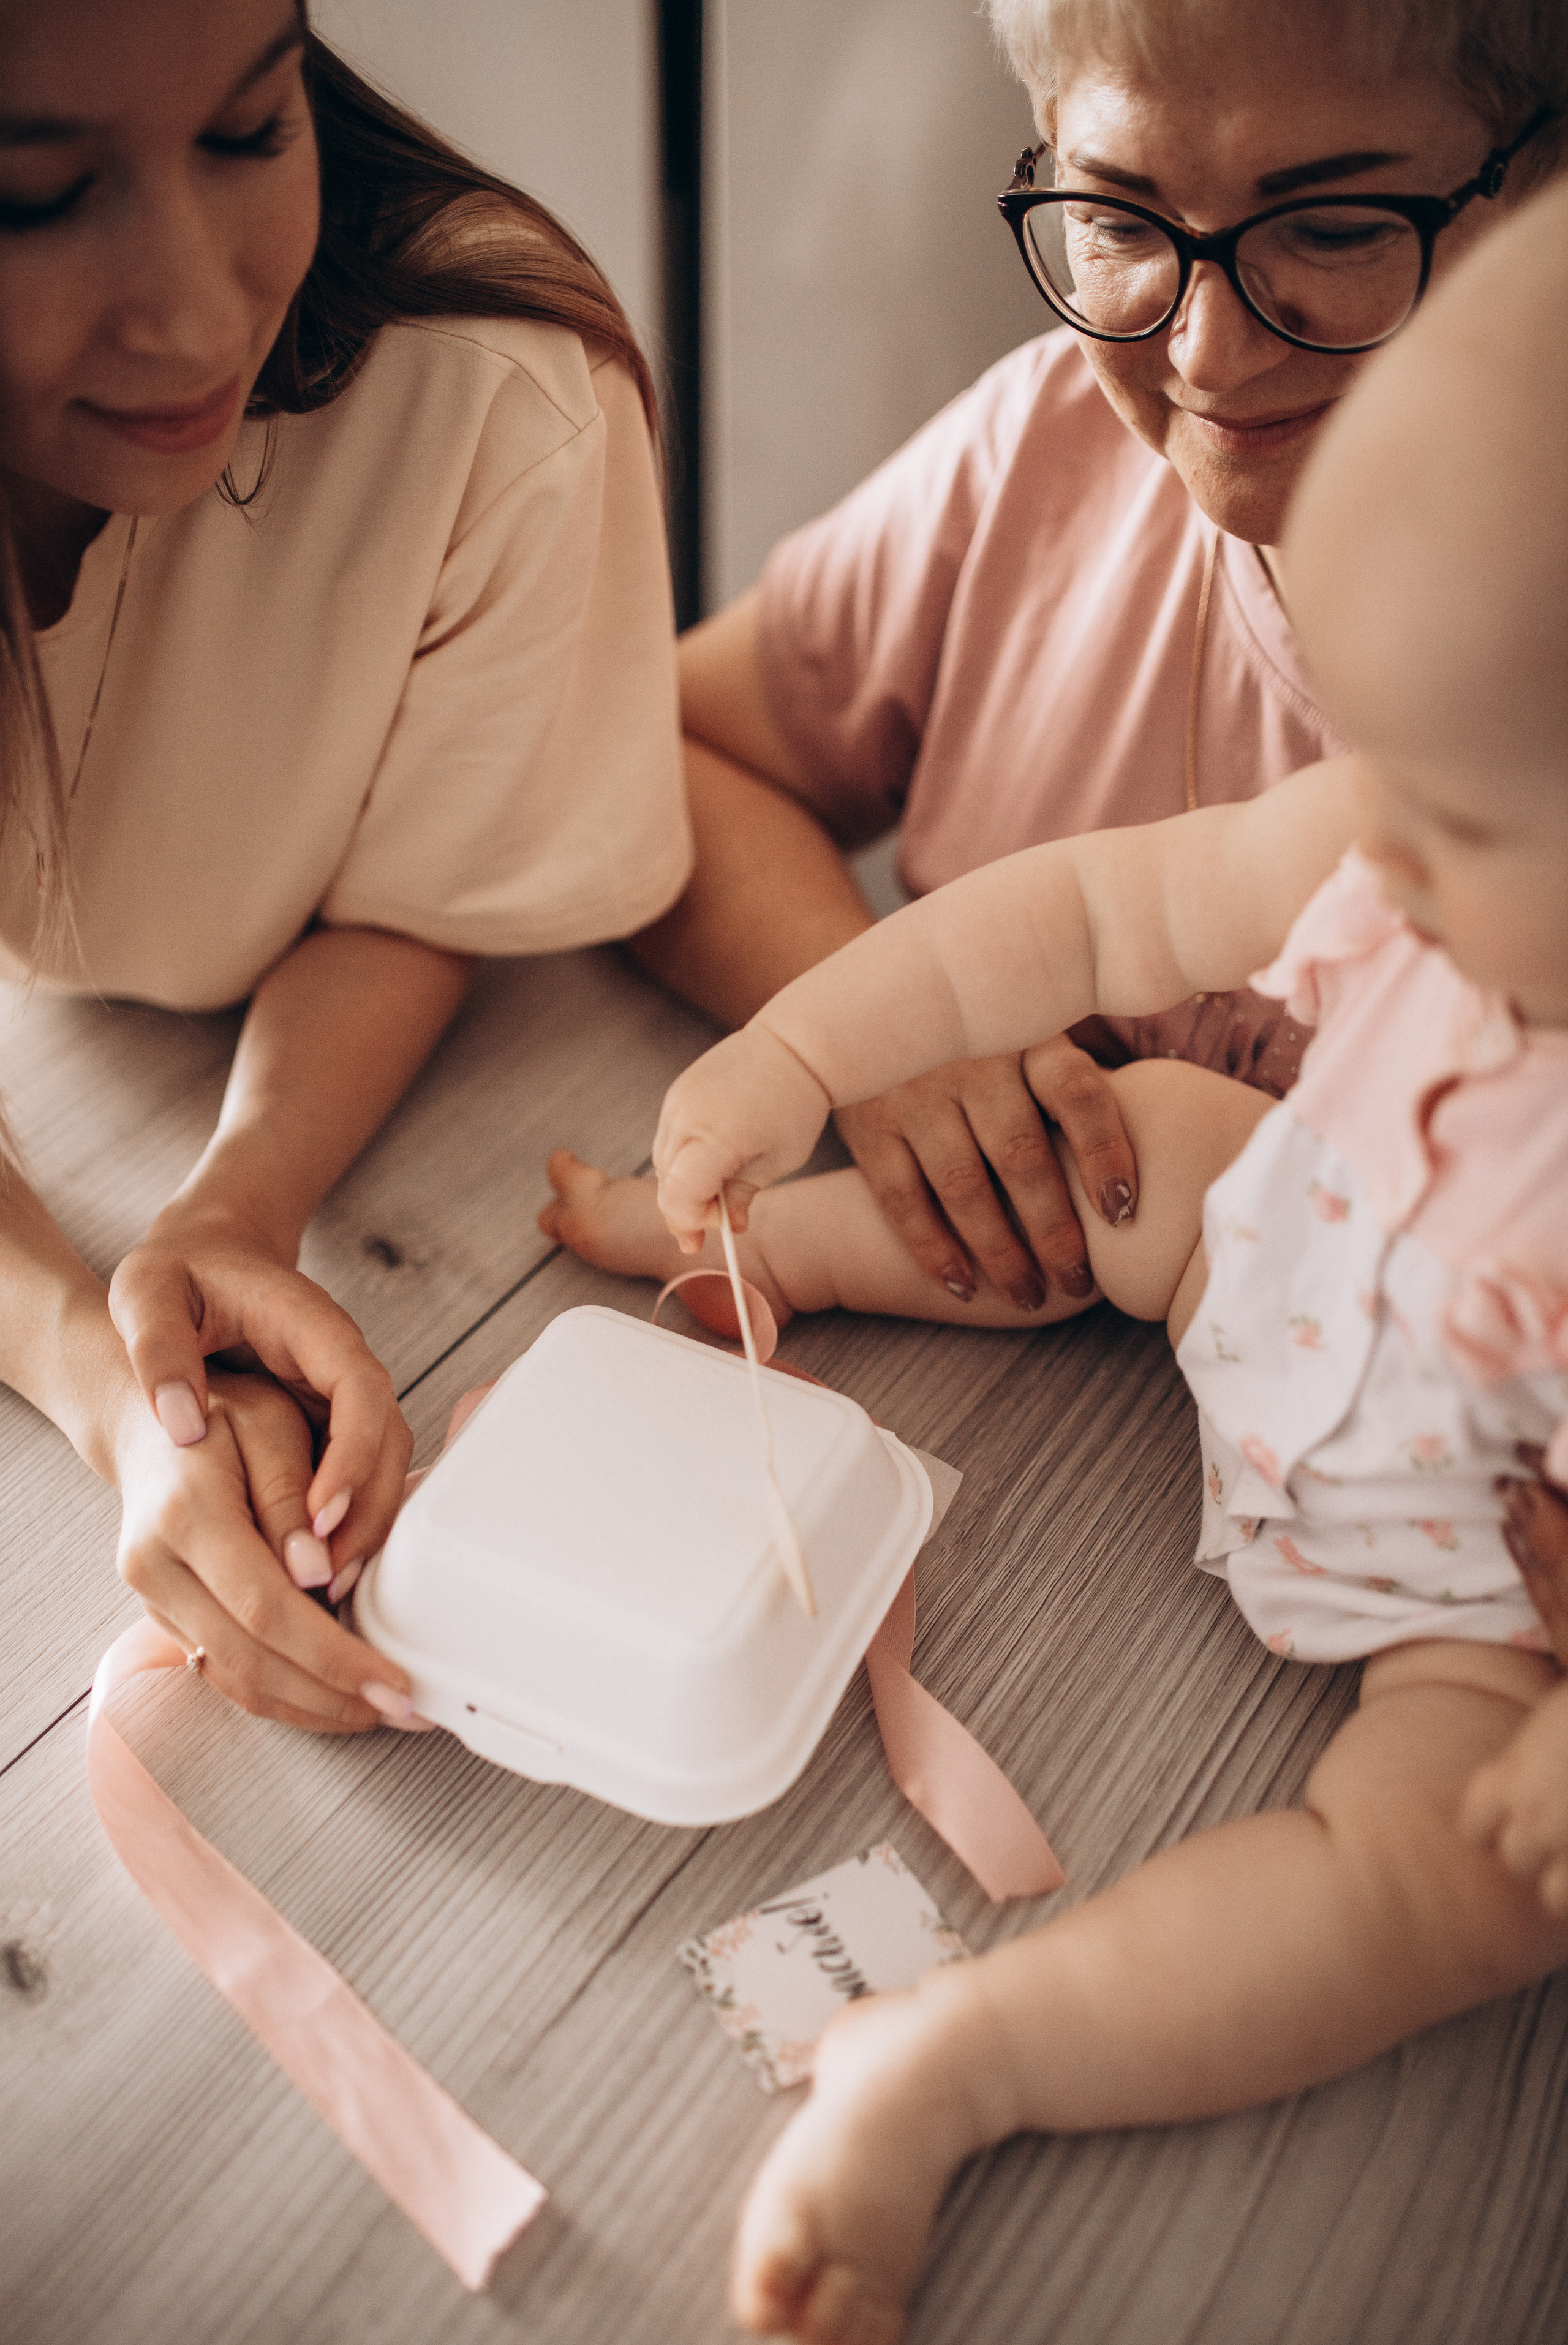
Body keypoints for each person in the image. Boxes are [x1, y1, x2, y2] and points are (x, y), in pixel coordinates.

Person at [557, 168, 1568, 2343]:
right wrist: (801, 1055)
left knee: (1454, 1886)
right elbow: (1091, 914)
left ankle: (958, 2064)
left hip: (1480, 1610)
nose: (1374, 844)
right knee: (1127, 1151)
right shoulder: (1409, 798)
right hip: (1255, 1258)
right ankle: (760, 1239)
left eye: (1462, 815)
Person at [615, 0, 1566, 1325]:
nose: (1204, 354)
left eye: (1335, 228)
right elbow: (655, 755)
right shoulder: (1036, 456)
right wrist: (880, 1048)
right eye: (1118, 219)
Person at [0, 0, 689, 1730]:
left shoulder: (494, 402)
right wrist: (103, 1382)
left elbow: (418, 892)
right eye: (35, 200)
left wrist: (236, 1207)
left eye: (252, 132)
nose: (198, 313)